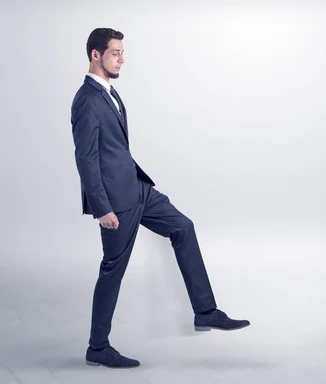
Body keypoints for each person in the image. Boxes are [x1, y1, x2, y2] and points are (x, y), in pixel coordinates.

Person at [71, 27, 250, 369]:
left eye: (123, 52)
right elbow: (86, 158)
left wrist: (138, 185)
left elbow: (115, 149)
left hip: (139, 189)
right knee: (113, 270)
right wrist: (101, 208)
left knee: (183, 227)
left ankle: (206, 311)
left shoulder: (111, 93)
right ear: (96, 54)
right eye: (115, 52)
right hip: (116, 202)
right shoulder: (87, 99)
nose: (122, 58)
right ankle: (97, 347)